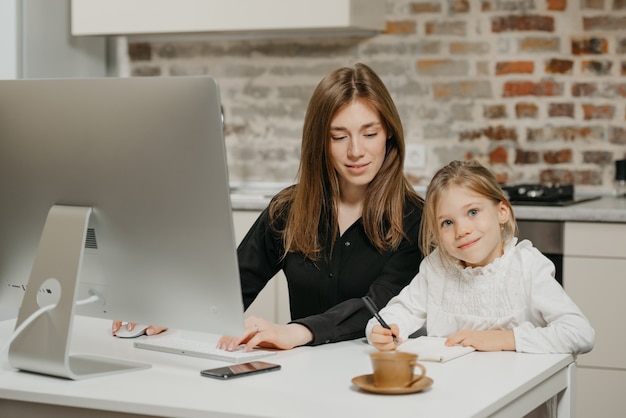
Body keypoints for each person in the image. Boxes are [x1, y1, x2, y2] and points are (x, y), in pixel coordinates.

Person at [114, 63, 425, 351]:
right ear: (321, 143)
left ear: (389, 135)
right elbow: (232, 286)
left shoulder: (415, 219)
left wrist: (294, 332)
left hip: (376, 377)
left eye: (369, 134)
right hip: (301, 376)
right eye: (339, 136)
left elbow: (380, 305)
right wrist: (169, 312)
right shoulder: (288, 210)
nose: (356, 150)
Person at [367, 160, 595, 355]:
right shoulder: (437, 268)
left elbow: (579, 333)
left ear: (501, 211)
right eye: (447, 222)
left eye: (473, 212)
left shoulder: (526, 266)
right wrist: (385, 329)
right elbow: (402, 310)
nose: (462, 230)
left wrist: (502, 340)